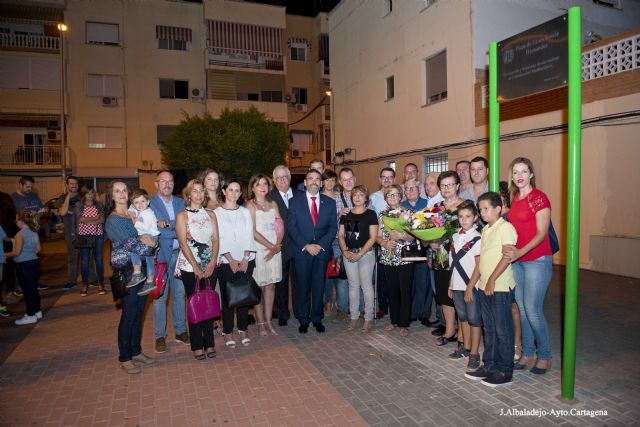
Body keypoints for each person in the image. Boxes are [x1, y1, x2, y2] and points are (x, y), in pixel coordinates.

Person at [503, 157, 553, 375]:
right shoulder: (514, 198)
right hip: (519, 261)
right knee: (522, 309)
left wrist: (520, 252)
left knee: (532, 309)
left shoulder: (539, 198)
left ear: (531, 174)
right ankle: (528, 353)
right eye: (516, 172)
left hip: (537, 260)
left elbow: (542, 233)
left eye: (524, 171)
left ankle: (545, 355)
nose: (519, 176)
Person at [104, 180, 157, 374]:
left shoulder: (136, 214)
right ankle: (124, 357)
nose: (121, 193)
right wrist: (151, 244)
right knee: (129, 315)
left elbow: (151, 234)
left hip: (143, 269)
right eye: (117, 191)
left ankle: (136, 351)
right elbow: (133, 244)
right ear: (111, 195)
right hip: (128, 272)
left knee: (139, 314)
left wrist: (152, 242)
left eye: (124, 190)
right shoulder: (113, 220)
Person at [465, 192, 517, 386]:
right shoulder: (486, 229)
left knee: (503, 329)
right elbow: (483, 259)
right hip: (485, 286)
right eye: (480, 209)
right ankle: (490, 365)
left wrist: (492, 279)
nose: (482, 212)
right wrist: (480, 282)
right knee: (490, 328)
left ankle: (505, 370)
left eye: (486, 208)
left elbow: (507, 256)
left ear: (498, 209)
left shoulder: (506, 228)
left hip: (500, 287)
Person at [288, 169, 337, 334]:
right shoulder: (294, 202)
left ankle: (317, 318)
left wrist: (320, 245)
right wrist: (306, 245)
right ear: (305, 182)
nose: (314, 181)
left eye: (317, 179)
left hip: (321, 252)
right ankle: (303, 319)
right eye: (311, 179)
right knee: (302, 287)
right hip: (302, 251)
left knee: (319, 286)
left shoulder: (329, 203)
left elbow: (332, 228)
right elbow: (292, 228)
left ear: (321, 182)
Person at [175, 179, 219, 360]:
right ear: (188, 194)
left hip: (210, 266)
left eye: (202, 191)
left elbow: (216, 240)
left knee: (208, 303)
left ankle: (209, 343)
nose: (199, 194)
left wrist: (212, 262)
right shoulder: (182, 216)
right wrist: (195, 267)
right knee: (194, 303)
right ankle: (197, 345)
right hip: (189, 267)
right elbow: (183, 245)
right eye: (195, 191)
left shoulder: (211, 214)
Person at [149, 171, 189, 353]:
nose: (167, 184)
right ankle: (160, 336)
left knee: (180, 295)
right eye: (163, 181)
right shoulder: (149, 204)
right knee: (159, 298)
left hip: (180, 255)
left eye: (170, 181)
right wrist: (175, 227)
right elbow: (153, 230)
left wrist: (167, 225)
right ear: (156, 184)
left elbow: (186, 228)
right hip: (161, 258)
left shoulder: (182, 203)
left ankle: (180, 331)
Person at [215, 180, 257, 347]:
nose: (233, 193)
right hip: (226, 260)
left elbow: (249, 235)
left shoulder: (245, 212)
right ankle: (227, 331)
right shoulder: (217, 213)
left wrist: (246, 258)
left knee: (243, 295)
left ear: (240, 194)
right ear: (224, 191)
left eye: (237, 190)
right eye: (230, 190)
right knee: (227, 298)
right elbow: (218, 237)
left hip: (246, 260)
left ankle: (243, 329)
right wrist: (231, 260)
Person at [430, 171, 465, 343]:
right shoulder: (436, 208)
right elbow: (427, 231)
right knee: (444, 295)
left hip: (461, 258)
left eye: (450, 185)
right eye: (443, 186)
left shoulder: (467, 206)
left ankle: (463, 333)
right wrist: (430, 243)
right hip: (441, 257)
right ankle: (449, 330)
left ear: (458, 186)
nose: (446, 189)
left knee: (460, 295)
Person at [247, 174, 283, 336]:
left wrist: (277, 245)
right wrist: (270, 246)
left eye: (265, 184)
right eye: (258, 184)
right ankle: (260, 323)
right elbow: (252, 231)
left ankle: (268, 321)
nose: (262, 187)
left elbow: (280, 224)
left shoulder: (273, 203)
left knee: (271, 286)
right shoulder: (250, 205)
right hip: (260, 249)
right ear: (252, 188)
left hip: (275, 248)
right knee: (259, 287)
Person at [376, 185, 415, 337]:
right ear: (385, 198)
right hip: (387, 256)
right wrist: (385, 243)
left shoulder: (408, 213)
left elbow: (414, 235)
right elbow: (378, 236)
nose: (392, 197)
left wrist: (401, 236)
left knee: (405, 290)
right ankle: (394, 320)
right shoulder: (382, 215)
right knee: (391, 290)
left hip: (404, 257)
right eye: (389, 195)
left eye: (395, 194)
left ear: (401, 196)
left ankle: (404, 323)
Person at [338, 185, 378, 333]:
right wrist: (345, 250)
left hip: (365, 254)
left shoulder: (371, 214)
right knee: (353, 285)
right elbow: (341, 235)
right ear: (351, 197)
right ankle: (354, 317)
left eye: (361, 195)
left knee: (366, 286)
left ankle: (368, 318)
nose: (357, 197)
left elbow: (373, 237)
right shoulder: (346, 215)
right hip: (348, 253)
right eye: (355, 195)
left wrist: (360, 253)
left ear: (366, 198)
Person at [448, 200, 482, 370]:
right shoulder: (456, 236)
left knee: (474, 319)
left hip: (471, 286)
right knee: (463, 317)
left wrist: (470, 286)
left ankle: (475, 353)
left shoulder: (477, 238)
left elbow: (479, 265)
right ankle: (466, 348)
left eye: (468, 216)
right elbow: (453, 263)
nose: (464, 220)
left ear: (475, 217)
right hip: (457, 285)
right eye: (461, 217)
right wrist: (450, 284)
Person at [270, 165, 304, 326]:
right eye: (279, 178)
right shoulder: (269, 198)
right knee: (280, 282)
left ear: (290, 178)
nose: (283, 180)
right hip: (280, 246)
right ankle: (282, 313)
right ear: (274, 181)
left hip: (298, 246)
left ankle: (300, 311)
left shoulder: (301, 195)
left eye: (285, 177)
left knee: (299, 280)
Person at [5, 211, 41, 325]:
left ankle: (30, 315)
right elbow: (38, 249)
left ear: (20, 221)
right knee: (33, 289)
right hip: (34, 263)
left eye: (16, 220)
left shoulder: (19, 234)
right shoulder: (34, 231)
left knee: (27, 291)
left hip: (23, 266)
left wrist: (4, 254)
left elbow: (16, 252)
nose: (16, 223)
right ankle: (37, 311)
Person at [322, 170, 349, 319]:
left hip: (339, 241)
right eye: (327, 180)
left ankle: (341, 304)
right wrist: (338, 215)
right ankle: (328, 301)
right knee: (327, 274)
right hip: (326, 240)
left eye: (332, 180)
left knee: (339, 273)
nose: (330, 183)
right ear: (322, 182)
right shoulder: (318, 198)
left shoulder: (340, 196)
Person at [370, 167, 396, 320]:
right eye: (384, 177)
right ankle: (382, 307)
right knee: (381, 278)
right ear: (380, 180)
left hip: (398, 242)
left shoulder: (400, 194)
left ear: (394, 179)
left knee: (394, 278)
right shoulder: (373, 197)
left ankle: (394, 305)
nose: (386, 180)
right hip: (380, 243)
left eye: (390, 177)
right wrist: (378, 244)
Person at [73, 184, 106, 297]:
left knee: (99, 260)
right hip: (84, 236)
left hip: (98, 235)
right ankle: (85, 284)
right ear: (83, 194)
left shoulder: (99, 205)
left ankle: (101, 283)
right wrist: (95, 219)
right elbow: (80, 219)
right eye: (87, 193)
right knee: (84, 261)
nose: (90, 195)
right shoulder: (79, 205)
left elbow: (102, 219)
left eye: (92, 193)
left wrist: (89, 221)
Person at [128, 189, 160, 296]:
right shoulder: (140, 210)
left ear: (148, 202)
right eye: (136, 202)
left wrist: (135, 221)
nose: (140, 204)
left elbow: (145, 227)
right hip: (145, 235)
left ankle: (138, 272)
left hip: (150, 235)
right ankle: (149, 280)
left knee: (136, 251)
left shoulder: (148, 213)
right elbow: (131, 208)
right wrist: (132, 211)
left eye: (142, 201)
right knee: (148, 258)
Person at [56, 176, 82, 290]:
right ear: (67, 185)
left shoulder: (83, 197)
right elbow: (62, 212)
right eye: (71, 183)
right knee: (72, 258)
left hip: (85, 232)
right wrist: (68, 197)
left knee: (88, 257)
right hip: (70, 233)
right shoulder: (62, 198)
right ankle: (72, 281)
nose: (74, 185)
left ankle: (92, 279)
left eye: (75, 183)